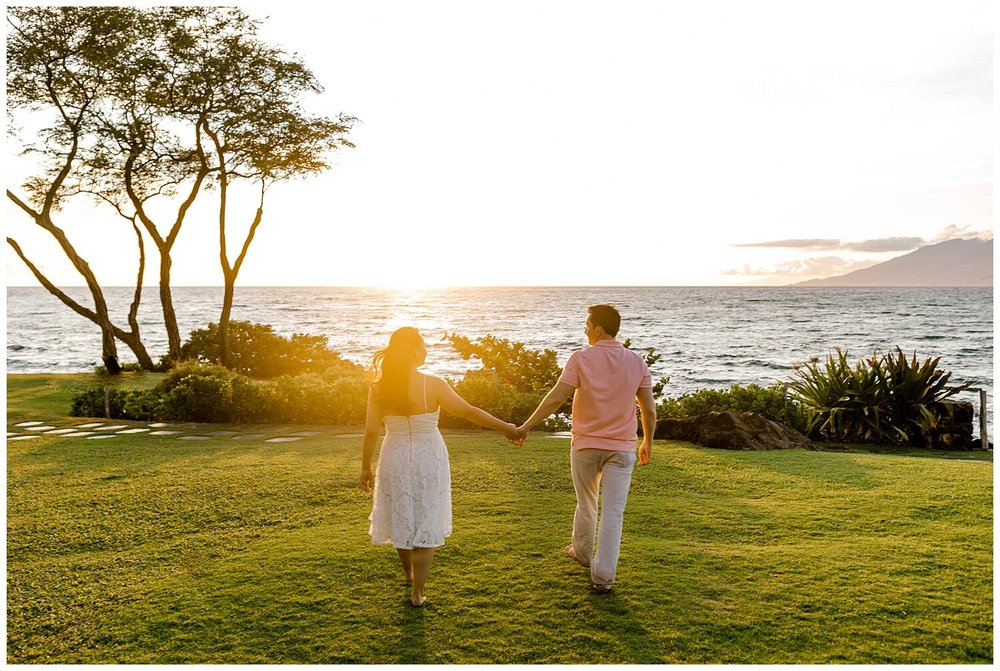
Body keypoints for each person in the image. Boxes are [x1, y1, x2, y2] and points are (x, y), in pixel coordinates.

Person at [360, 326, 520, 607]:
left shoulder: (379, 387)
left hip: (394, 454)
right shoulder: (432, 384)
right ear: (413, 350)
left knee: (401, 511)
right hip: (427, 455)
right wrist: (506, 426)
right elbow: (468, 411)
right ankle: (418, 592)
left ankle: (409, 574)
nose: (425, 349)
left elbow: (372, 430)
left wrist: (365, 467)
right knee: (426, 514)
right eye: (422, 344)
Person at [515, 304, 656, 593]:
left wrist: (526, 426)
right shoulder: (637, 362)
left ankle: (581, 552)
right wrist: (648, 442)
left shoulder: (581, 359)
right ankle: (603, 577)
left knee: (587, 502)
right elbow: (648, 410)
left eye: (587, 325)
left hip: (586, 446)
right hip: (622, 449)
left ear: (598, 329)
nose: (584, 330)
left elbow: (555, 399)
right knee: (613, 513)